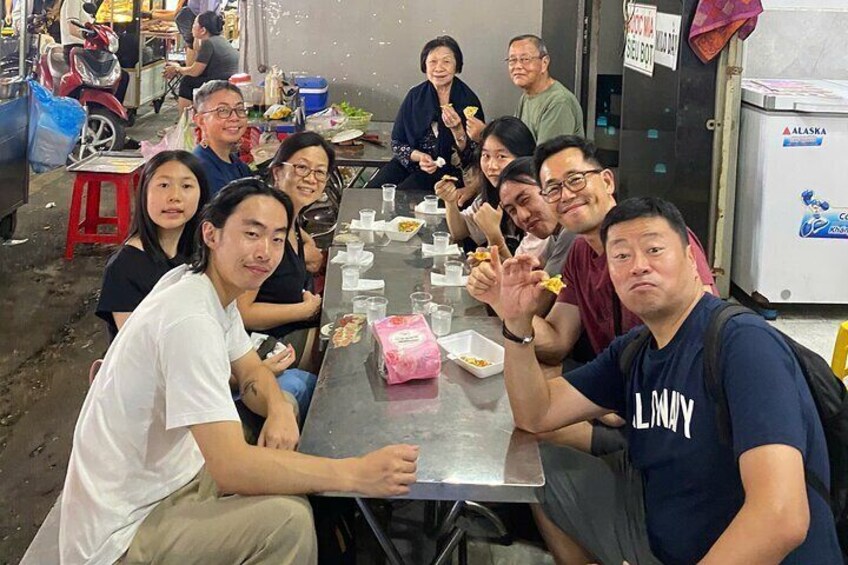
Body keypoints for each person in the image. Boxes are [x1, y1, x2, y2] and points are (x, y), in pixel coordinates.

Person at [59, 178, 419, 564]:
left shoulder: (207, 289)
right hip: (124, 530)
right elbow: (231, 467)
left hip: (175, 474)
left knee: (287, 420)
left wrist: (278, 408)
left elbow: (251, 371)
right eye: (251, 234)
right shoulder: (189, 319)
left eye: (277, 239)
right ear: (211, 234)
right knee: (287, 521)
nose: (265, 252)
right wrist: (356, 474)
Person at [496, 196, 842, 564]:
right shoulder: (635, 350)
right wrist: (516, 324)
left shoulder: (743, 344)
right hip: (659, 528)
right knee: (543, 468)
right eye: (621, 256)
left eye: (654, 249)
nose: (638, 266)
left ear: (692, 261)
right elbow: (537, 414)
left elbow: (781, 517)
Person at [469, 135, 715, 368]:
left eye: (576, 179)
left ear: (607, 181)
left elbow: (704, 339)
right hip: (611, 387)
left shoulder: (659, 237)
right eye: (553, 189)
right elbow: (556, 342)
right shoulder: (579, 252)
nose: (566, 195)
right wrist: (502, 300)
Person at [237, 132, 331, 371]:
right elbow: (243, 313)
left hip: (291, 331)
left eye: (320, 172)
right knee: (348, 349)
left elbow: (307, 251)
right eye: (302, 167)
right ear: (278, 172)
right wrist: (304, 311)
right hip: (263, 346)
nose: (311, 178)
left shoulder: (290, 217)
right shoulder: (264, 228)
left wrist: (307, 248)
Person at [96, 150, 210, 343]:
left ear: (201, 194)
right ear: (144, 193)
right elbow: (139, 348)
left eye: (186, 186)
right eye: (163, 185)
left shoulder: (199, 250)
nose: (175, 196)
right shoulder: (124, 268)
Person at [368, 35, 484, 192]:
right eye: (433, 62)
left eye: (446, 61)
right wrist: (420, 157)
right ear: (425, 65)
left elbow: (473, 156)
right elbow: (397, 143)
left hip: (447, 172)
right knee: (371, 190)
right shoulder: (415, 96)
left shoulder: (468, 102)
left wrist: (457, 130)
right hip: (412, 162)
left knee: (403, 194)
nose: (439, 68)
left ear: (457, 66)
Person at [465, 156, 575, 313]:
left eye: (525, 200)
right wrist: (493, 269)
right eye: (512, 211)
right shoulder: (553, 235)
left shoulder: (572, 232)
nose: (523, 216)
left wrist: (493, 292)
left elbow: (535, 307)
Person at [436, 117, 535, 260]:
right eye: (486, 155)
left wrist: (494, 236)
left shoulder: (535, 203)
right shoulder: (491, 194)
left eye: (501, 156)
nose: (491, 166)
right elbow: (460, 231)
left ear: (523, 158)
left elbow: (524, 270)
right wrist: (450, 201)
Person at [467, 35, 584, 145]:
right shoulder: (527, 96)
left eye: (525, 59)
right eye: (512, 60)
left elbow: (546, 157)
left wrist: (485, 136)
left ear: (544, 63)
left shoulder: (559, 102)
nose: (517, 66)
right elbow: (516, 143)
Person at [164, 10, 238, 110]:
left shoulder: (208, 43)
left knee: (187, 81)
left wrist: (177, 68)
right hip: (227, 79)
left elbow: (195, 71)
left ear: (203, 30)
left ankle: (185, 117)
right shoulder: (220, 39)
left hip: (221, 81)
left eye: (195, 24)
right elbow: (196, 49)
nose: (192, 27)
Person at [192, 80, 252, 196]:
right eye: (223, 110)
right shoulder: (202, 170)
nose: (234, 117)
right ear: (201, 120)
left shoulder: (236, 163)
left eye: (240, 109)